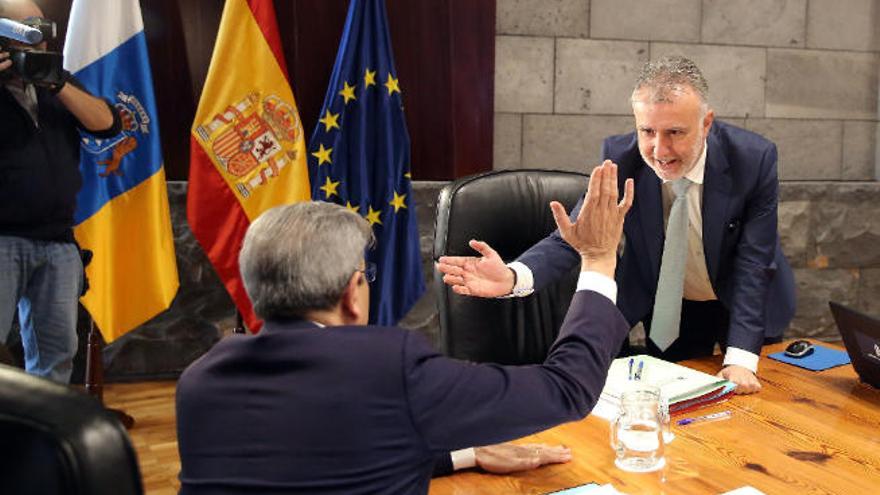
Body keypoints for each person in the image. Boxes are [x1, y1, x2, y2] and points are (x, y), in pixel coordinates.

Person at [175, 162, 635, 494]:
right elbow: (567, 389)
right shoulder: (387, 368)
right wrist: (597, 259)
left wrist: (465, 454)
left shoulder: (201, 381)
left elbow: (312, 461)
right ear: (350, 294)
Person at [437, 56, 796, 395]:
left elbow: (753, 260)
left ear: (706, 122)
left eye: (675, 132)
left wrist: (740, 361)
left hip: (743, 300)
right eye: (648, 131)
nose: (659, 149)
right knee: (675, 406)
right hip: (671, 303)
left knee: (752, 401)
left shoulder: (754, 159)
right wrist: (514, 276)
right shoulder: (622, 158)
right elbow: (574, 237)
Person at [0, 0, 120, 383]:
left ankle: (44, 437)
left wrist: (56, 82)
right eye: (25, 34)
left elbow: (106, 123)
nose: (35, 47)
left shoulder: (56, 81)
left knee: (58, 353)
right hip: (2, 239)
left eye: (40, 33)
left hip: (57, 241)